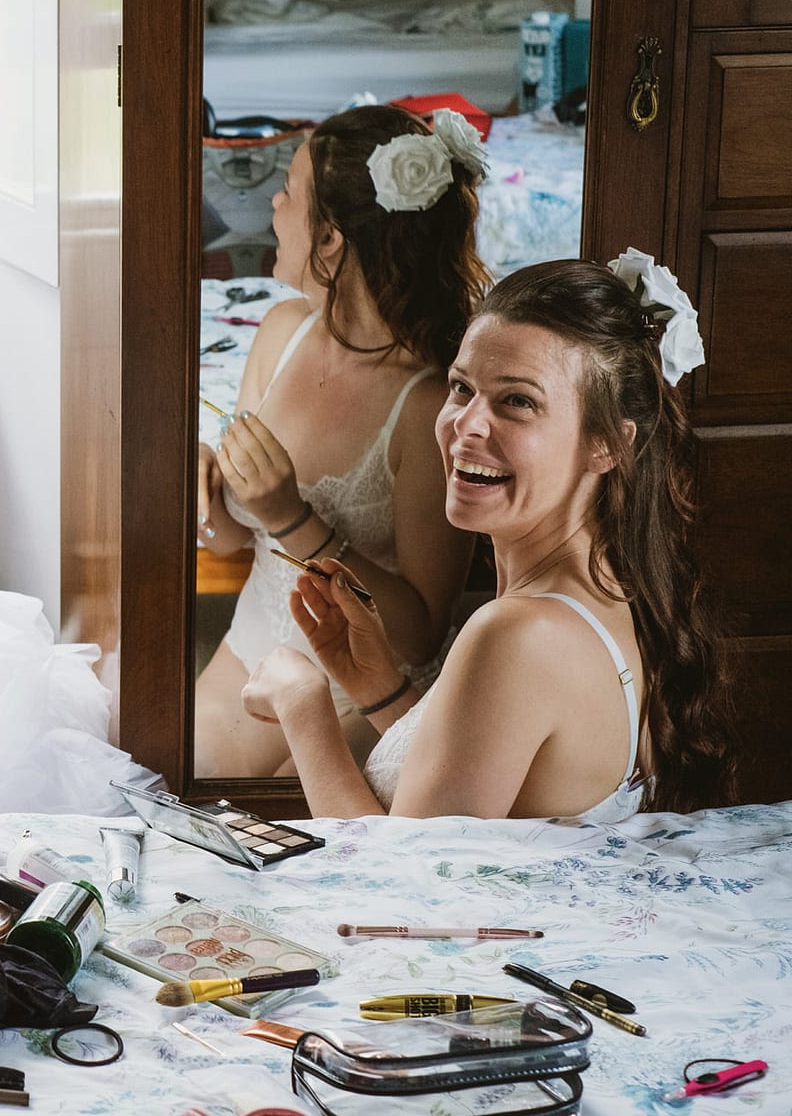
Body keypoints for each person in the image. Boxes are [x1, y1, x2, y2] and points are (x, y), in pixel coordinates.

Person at [243, 256, 740, 819]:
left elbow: (398, 905)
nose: (466, 425)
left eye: (518, 401)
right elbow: (485, 787)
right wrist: (377, 686)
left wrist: (303, 705)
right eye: (461, 388)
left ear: (607, 443)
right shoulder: (619, 592)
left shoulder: (515, 636)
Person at [196, 105, 487, 777]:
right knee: (162, 796)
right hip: (249, 661)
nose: (273, 202)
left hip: (361, 699)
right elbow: (238, 539)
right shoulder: (279, 334)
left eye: (290, 190)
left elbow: (419, 629)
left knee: (288, 851)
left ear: (330, 242)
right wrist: (210, 496)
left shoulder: (427, 404)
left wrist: (292, 517)